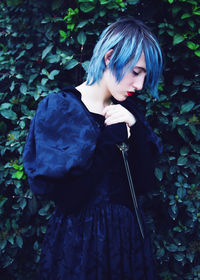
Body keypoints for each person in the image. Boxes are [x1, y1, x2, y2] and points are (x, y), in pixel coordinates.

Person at [23, 17, 163, 280]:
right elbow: (69, 200)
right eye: (136, 72)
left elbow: (144, 185)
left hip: (127, 242)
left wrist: (136, 130)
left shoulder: (129, 112)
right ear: (110, 57)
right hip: (80, 244)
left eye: (145, 75)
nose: (140, 85)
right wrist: (109, 140)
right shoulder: (61, 109)